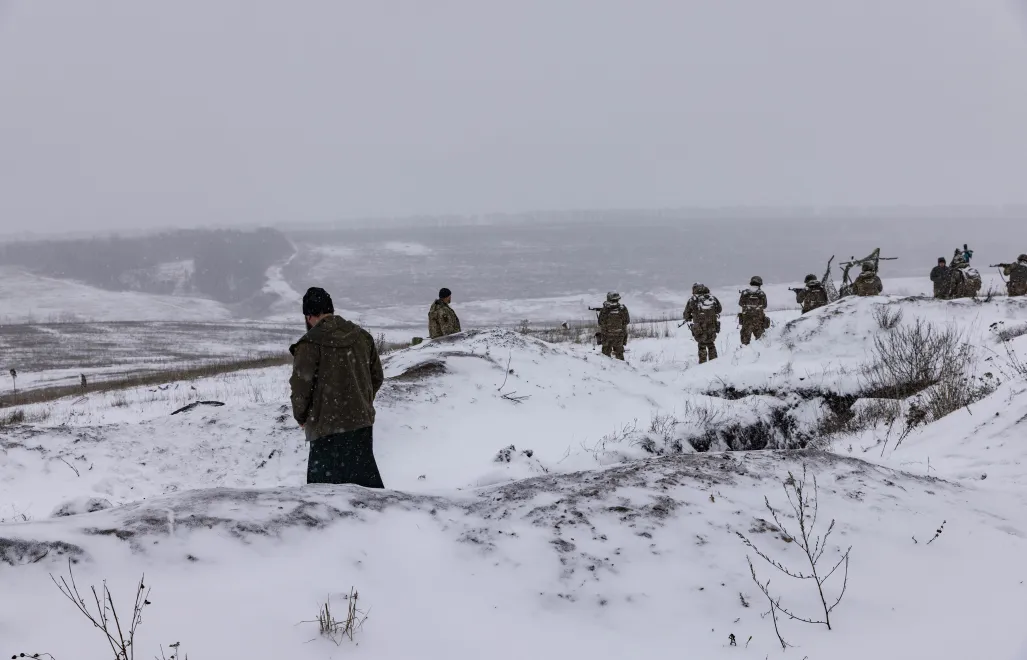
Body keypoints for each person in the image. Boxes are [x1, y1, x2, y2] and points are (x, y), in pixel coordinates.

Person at [290, 287, 385, 487]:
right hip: (361, 425)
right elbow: (376, 377)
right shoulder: (362, 336)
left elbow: (301, 388)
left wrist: (301, 416)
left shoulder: (309, 343)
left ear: (309, 316)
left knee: (324, 500)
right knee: (367, 495)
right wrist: (360, 402)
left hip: (325, 429)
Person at [683, 283, 722, 364]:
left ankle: (703, 365)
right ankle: (715, 363)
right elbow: (719, 309)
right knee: (711, 344)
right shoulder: (712, 298)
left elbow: (686, 314)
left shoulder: (693, 300)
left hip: (699, 327)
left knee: (702, 345)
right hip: (712, 326)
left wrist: (690, 317)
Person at [597, 292, 630, 360]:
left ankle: (606, 369)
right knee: (619, 355)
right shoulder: (622, 309)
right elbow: (627, 321)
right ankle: (624, 369)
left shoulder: (605, 309)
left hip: (606, 336)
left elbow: (600, 322)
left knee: (605, 357)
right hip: (619, 336)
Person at [738, 276, 769, 346]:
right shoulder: (761, 293)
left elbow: (740, 303)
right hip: (759, 322)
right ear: (760, 284)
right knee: (761, 343)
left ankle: (744, 356)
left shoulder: (745, 293)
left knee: (744, 344)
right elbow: (765, 306)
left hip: (746, 321)